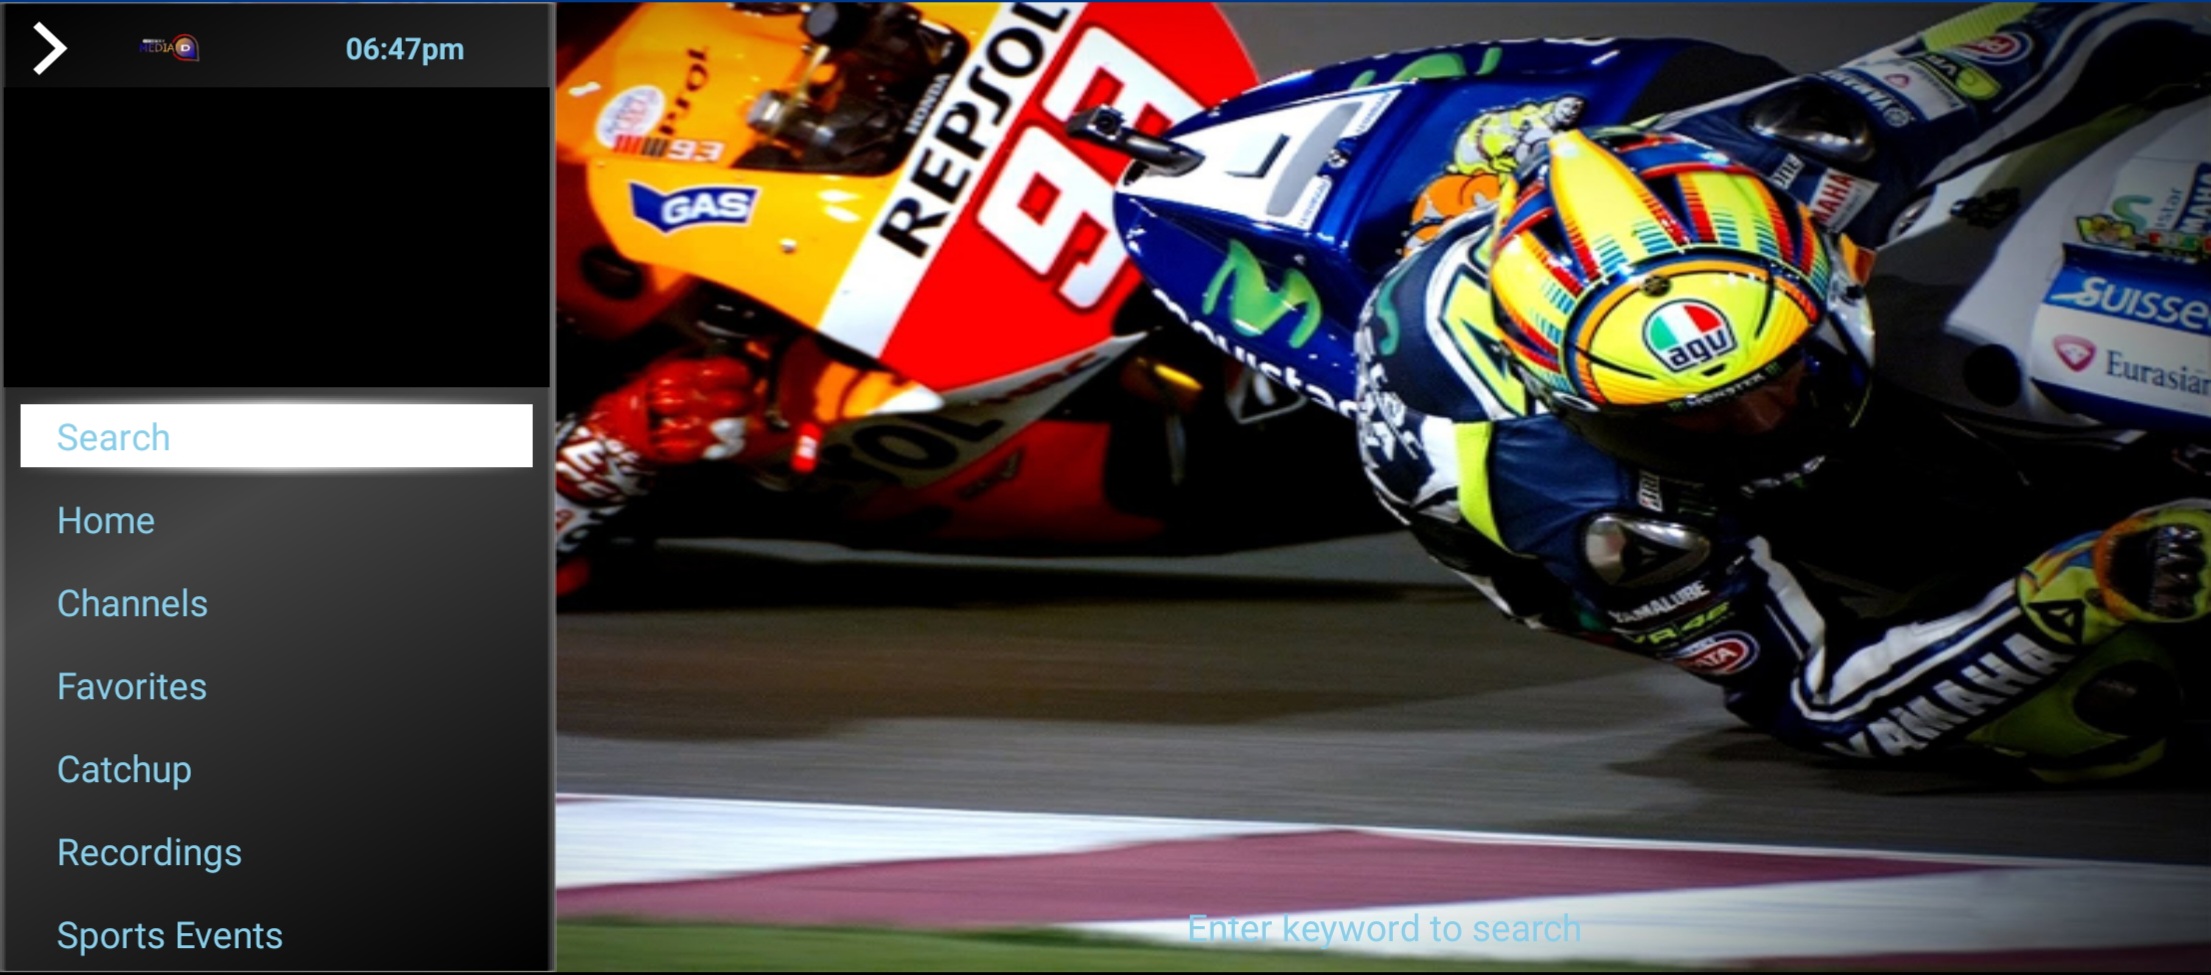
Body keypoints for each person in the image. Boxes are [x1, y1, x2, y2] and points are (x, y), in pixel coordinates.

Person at [1352, 2, 2211, 779]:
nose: (1765, 423)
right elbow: (1821, 701)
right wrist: (2084, 587)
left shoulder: (1801, 151)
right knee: (2100, 711)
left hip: (1645, 209)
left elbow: (2068, 33)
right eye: (1700, 417)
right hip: (1605, 508)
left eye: (1780, 376)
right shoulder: (1587, 506)